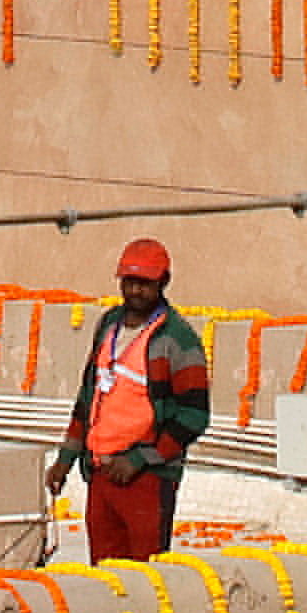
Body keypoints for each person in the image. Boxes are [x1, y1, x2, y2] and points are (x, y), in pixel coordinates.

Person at [41, 237, 216, 561]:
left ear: (163, 282)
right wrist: (65, 460)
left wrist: (140, 459)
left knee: (146, 578)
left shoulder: (179, 341)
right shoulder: (108, 325)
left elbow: (193, 417)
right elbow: (88, 398)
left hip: (148, 479)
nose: (135, 291)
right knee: (106, 578)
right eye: (129, 282)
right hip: (101, 473)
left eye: (144, 284)